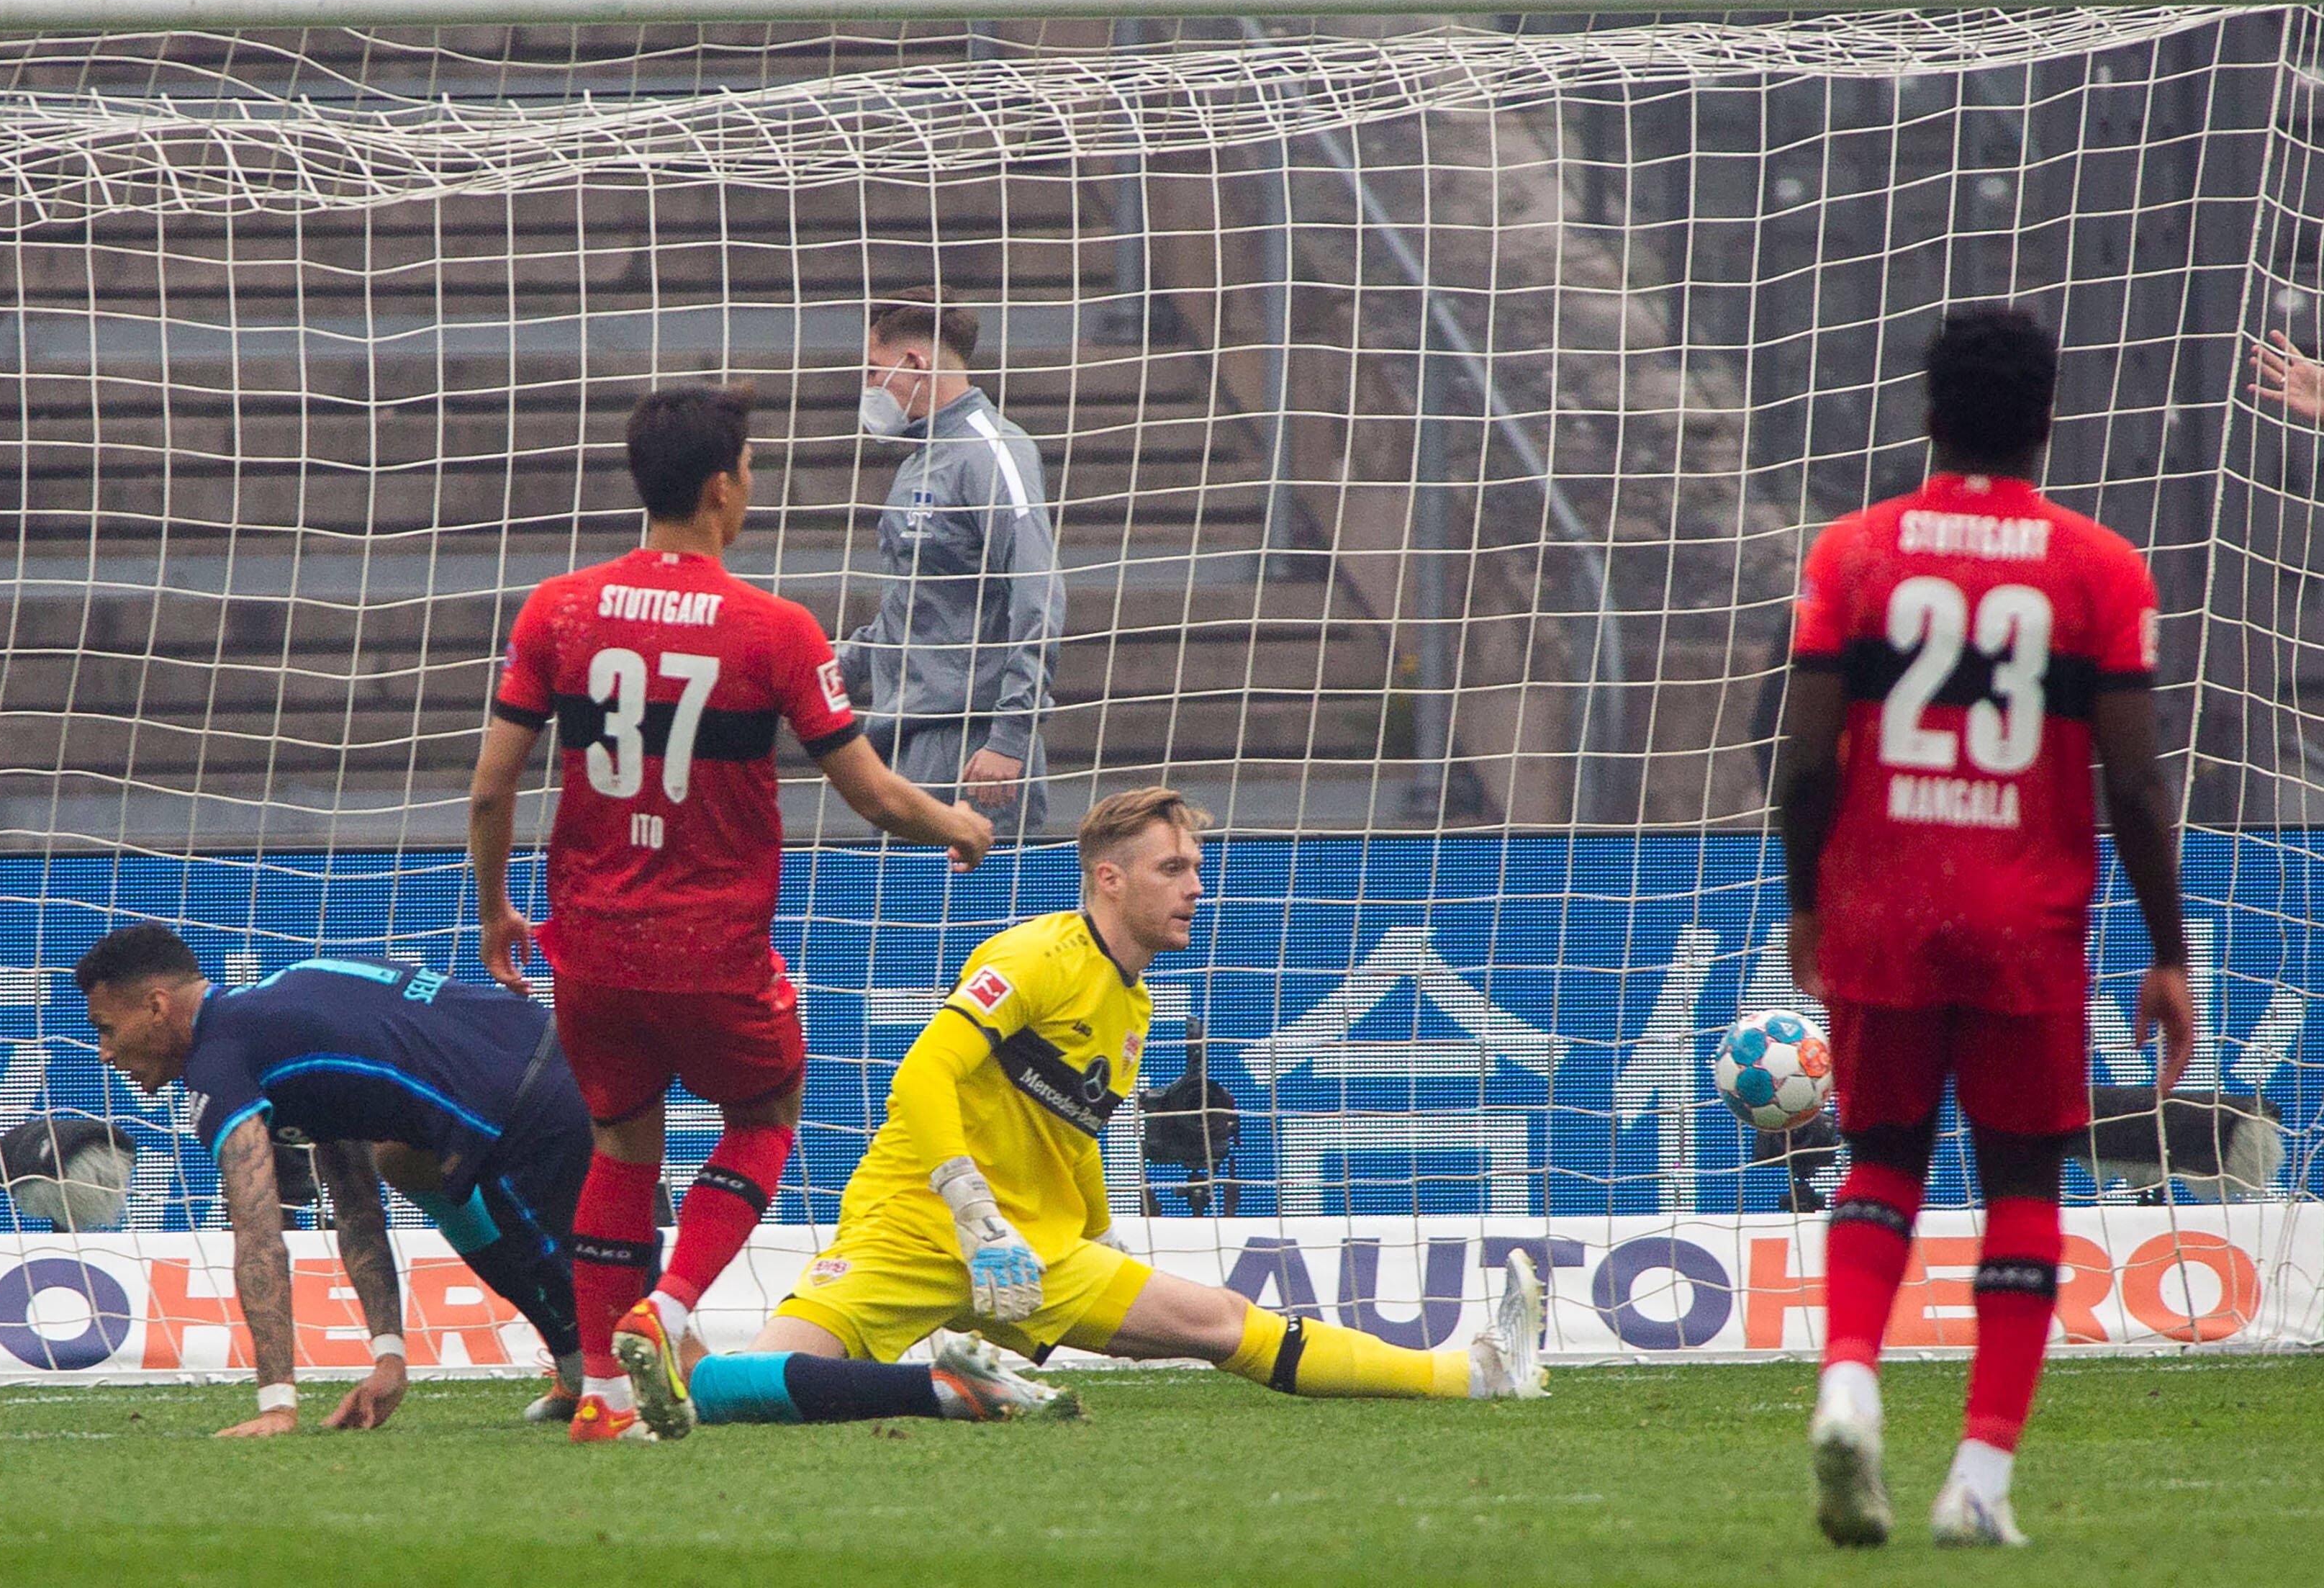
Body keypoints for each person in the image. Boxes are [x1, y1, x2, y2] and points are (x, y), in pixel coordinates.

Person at [677, 787, 1549, 1432]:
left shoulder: (1131, 1002)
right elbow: (920, 1078)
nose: (1194, 887)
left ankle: (1472, 1371)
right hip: (912, 1226)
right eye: (1173, 868)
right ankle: (930, 1386)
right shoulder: (1032, 954)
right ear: (1109, 877)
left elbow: (1076, 1129)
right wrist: (970, 1207)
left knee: (1217, 1322)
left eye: (1196, 868)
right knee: (730, 1385)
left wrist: (1093, 1235)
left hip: (1038, 1251)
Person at [471, 382, 994, 1444]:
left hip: (594, 943)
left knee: (622, 1147)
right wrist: (959, 825)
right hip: (715, 948)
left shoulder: (557, 609)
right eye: (749, 470)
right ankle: (663, 1314)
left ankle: (603, 1403)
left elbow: (490, 789)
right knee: (765, 1115)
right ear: (722, 486)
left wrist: (493, 915)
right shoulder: (775, 630)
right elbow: (872, 794)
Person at [1778, 306, 2196, 1548]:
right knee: (2022, 1183)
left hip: (1883, 902)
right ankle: (1978, 1479)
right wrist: (2167, 948)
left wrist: (1809, 895)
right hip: (2026, 917)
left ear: (1928, 414)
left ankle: (1850, 1377)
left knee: (1881, 1158)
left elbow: (1802, 758)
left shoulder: (1854, 552)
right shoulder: (2103, 566)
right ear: (2049, 421)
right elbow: (2133, 780)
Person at [73, 921, 594, 1436]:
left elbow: (259, 1234)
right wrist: (390, 1358)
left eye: (106, 1028)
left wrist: (277, 1403)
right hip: (551, 1047)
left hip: (530, 1106)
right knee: (403, 1160)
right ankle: (577, 1370)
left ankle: (647, 1369)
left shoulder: (218, 1068)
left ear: (158, 1007)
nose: (105, 1053)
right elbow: (358, 1207)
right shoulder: (285, 1014)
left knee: (626, 1318)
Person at [838, 289, 1065, 836]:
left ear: (915, 363)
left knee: (978, 921)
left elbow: (1040, 591)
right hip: (899, 745)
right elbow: (914, 608)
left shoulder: (994, 451)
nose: (869, 388)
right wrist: (827, 669)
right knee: (897, 920)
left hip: (972, 751)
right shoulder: (919, 462)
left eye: (874, 371)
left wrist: (1010, 736)